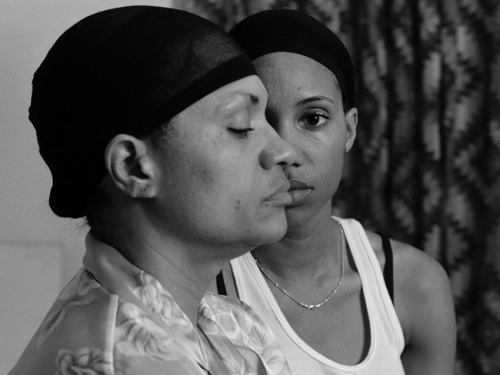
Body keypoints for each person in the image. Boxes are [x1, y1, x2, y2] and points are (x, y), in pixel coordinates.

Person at [8, 6, 299, 375]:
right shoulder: (119, 361)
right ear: (133, 167)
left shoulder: (232, 325)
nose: (283, 151)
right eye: (241, 126)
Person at [214, 9, 456, 375]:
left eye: (313, 118)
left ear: (350, 130)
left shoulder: (413, 285)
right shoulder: (201, 290)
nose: (285, 151)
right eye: (258, 120)